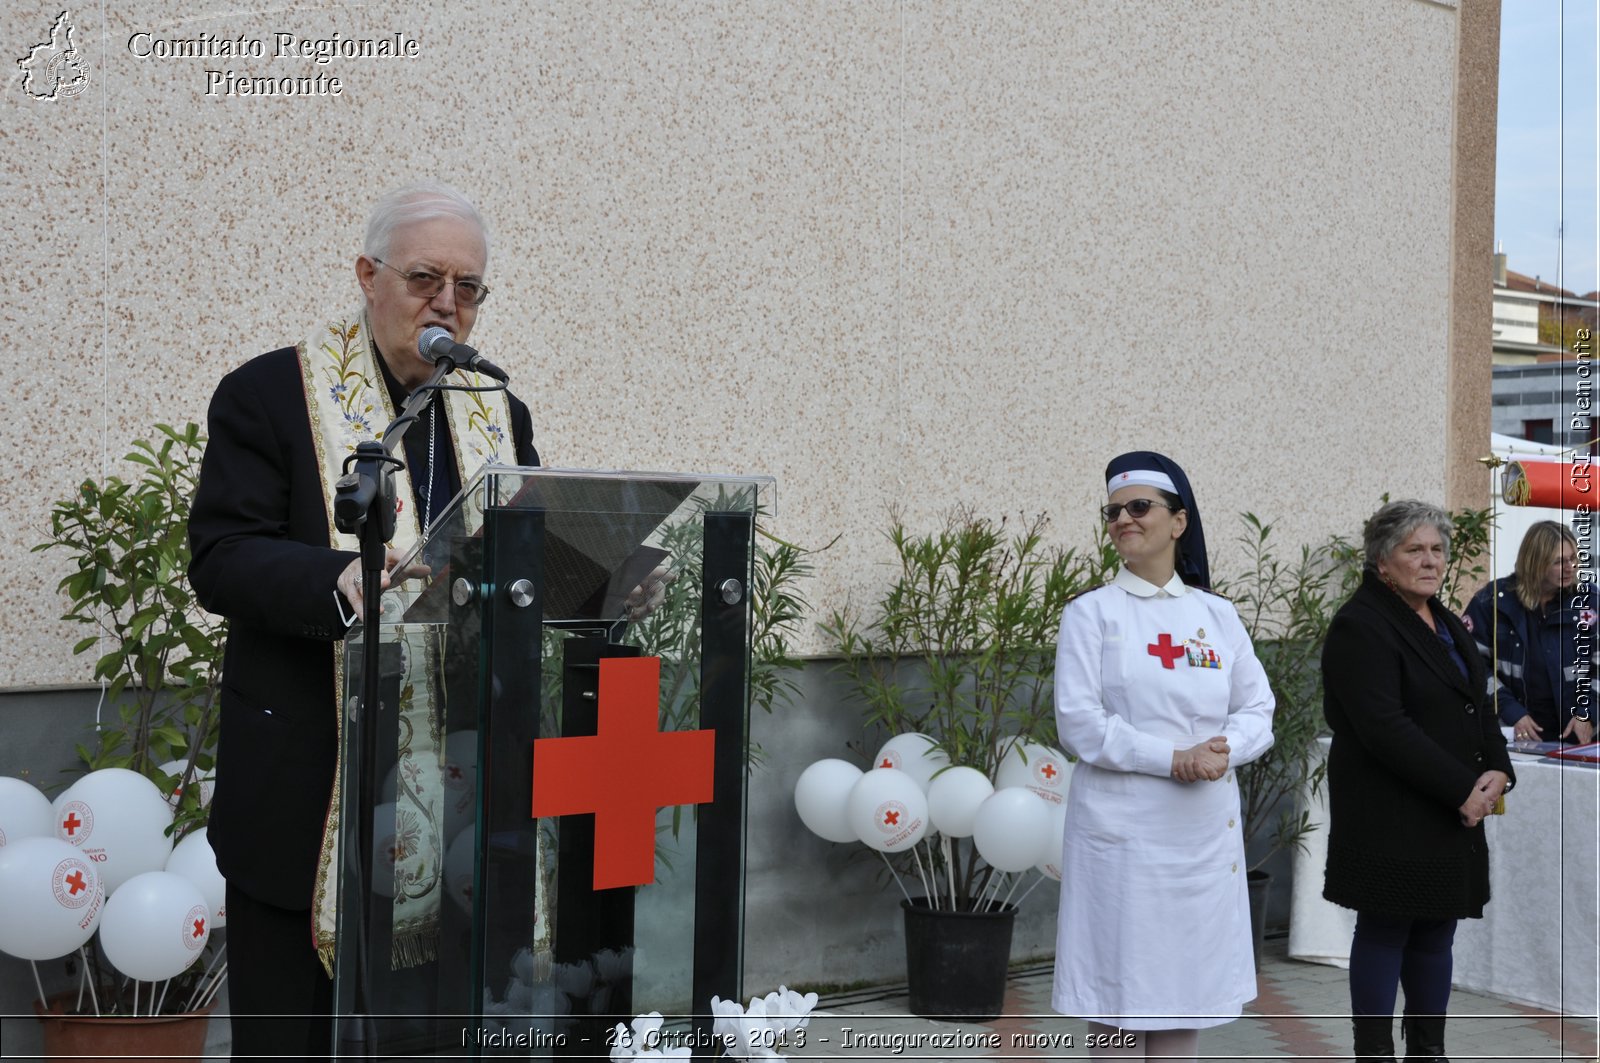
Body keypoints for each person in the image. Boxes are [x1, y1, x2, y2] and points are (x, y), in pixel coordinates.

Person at [188, 182, 538, 1061]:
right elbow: (221, 555)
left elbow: (525, 556)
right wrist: (338, 576)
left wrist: (596, 583)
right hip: (311, 790)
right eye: (425, 278)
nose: (447, 306)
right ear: (367, 275)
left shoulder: (498, 411)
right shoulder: (270, 393)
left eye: (468, 288)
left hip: (455, 794)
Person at [1052, 451, 1276, 1061]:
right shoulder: (1090, 614)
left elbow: (1259, 709)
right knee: (1120, 1003)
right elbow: (1079, 723)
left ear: (1178, 522)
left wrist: (1218, 753)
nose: (1124, 518)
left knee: (1185, 998)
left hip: (1199, 843)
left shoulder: (1216, 615)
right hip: (1124, 843)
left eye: (1140, 507)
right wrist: (1174, 757)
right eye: (1114, 511)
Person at [1321, 500, 1515, 1063]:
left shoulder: (1442, 617)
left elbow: (1477, 706)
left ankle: (1429, 1050)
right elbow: (1386, 729)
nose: (1430, 561)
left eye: (1437, 550)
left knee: (1436, 932)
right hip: (1391, 810)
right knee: (1386, 929)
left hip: (1449, 810)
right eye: (1415, 550)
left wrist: (1499, 770)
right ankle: (1375, 1053)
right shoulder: (1362, 624)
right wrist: (1464, 790)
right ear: (1383, 562)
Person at [1462, 520, 1596, 746]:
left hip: (1580, 739)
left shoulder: (1590, 601)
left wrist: (1588, 712)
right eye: (1558, 561)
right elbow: (1470, 663)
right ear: (1534, 562)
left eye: (1573, 559)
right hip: (1511, 735)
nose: (1569, 568)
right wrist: (1510, 710)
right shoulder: (1492, 602)